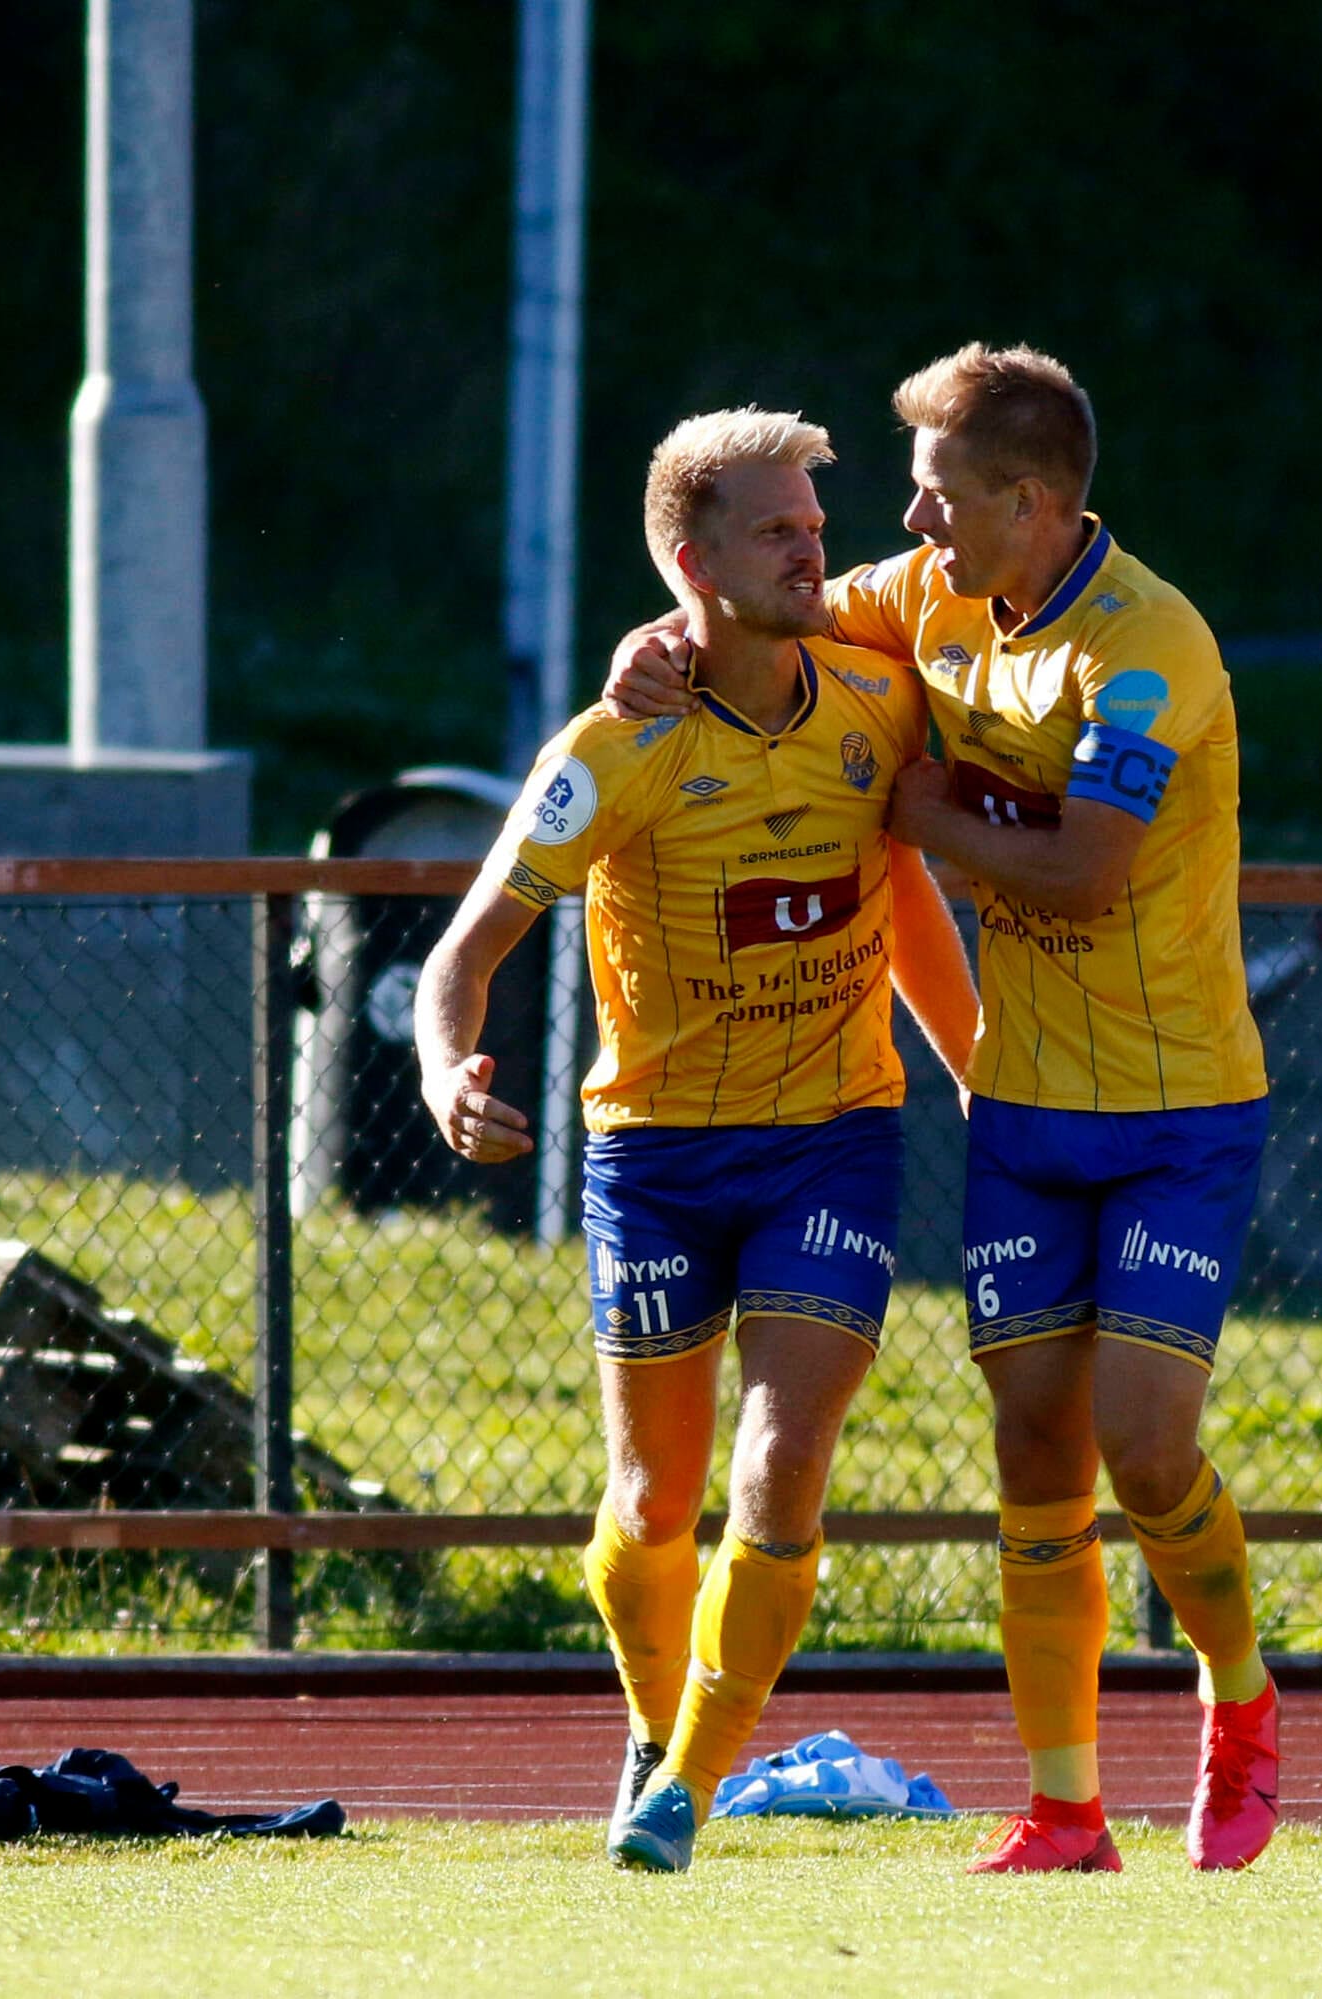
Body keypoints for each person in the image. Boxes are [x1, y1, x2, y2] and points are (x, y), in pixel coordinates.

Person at [603, 344, 1278, 1874]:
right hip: (1020, 1106)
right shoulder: (932, 596)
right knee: (1034, 1451)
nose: (908, 522)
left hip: (1176, 1106)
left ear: (1027, 502)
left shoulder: (1148, 647)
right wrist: (655, 640)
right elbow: (752, 609)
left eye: (936, 494)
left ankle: (1240, 1695)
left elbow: (1084, 870)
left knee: (1143, 1446)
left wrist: (921, 813)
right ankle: (1067, 1810)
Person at [416, 408, 978, 1873]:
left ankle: (688, 1781)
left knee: (782, 1464)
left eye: (816, 525)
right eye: (778, 531)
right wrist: (442, 1069)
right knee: (653, 1500)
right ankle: (654, 1728)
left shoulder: (879, 695)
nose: (814, 551)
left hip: (834, 1139)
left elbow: (910, 895)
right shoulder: (619, 744)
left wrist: (978, 1067)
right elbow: (463, 954)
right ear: (693, 563)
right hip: (656, 1157)